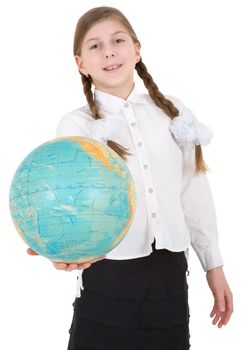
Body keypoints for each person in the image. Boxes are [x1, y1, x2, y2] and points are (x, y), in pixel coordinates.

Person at [28, 6, 233, 350]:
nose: (108, 51)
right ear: (81, 63)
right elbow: (64, 202)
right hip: (107, 277)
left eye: (118, 40)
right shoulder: (76, 127)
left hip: (168, 279)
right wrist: (54, 247)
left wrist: (214, 265)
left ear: (137, 50)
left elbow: (192, 193)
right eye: (95, 46)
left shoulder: (174, 112)